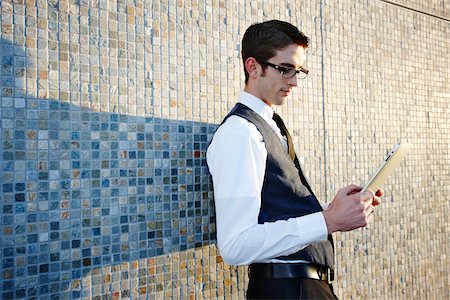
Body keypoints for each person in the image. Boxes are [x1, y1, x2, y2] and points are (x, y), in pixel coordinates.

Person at [206, 20, 383, 299]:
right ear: (252, 67)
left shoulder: (271, 124)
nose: (295, 81)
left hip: (304, 286)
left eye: (299, 71)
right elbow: (235, 245)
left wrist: (336, 209)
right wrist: (328, 221)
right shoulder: (240, 133)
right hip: (285, 289)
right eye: (285, 69)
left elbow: (276, 210)